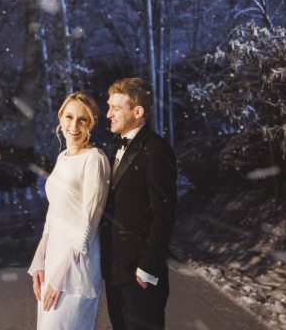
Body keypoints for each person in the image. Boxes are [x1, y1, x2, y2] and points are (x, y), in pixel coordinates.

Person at [28, 91, 111, 330]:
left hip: (76, 268)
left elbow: (88, 223)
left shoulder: (94, 159)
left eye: (82, 119)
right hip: (53, 263)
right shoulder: (63, 157)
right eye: (69, 117)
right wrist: (39, 262)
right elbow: (52, 216)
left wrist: (60, 277)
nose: (74, 125)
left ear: (91, 124)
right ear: (60, 118)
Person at [100, 77, 177, 330]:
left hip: (140, 273)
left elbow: (163, 214)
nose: (108, 113)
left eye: (115, 108)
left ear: (138, 112)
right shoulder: (113, 147)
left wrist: (148, 267)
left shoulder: (157, 149)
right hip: (115, 270)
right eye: (109, 106)